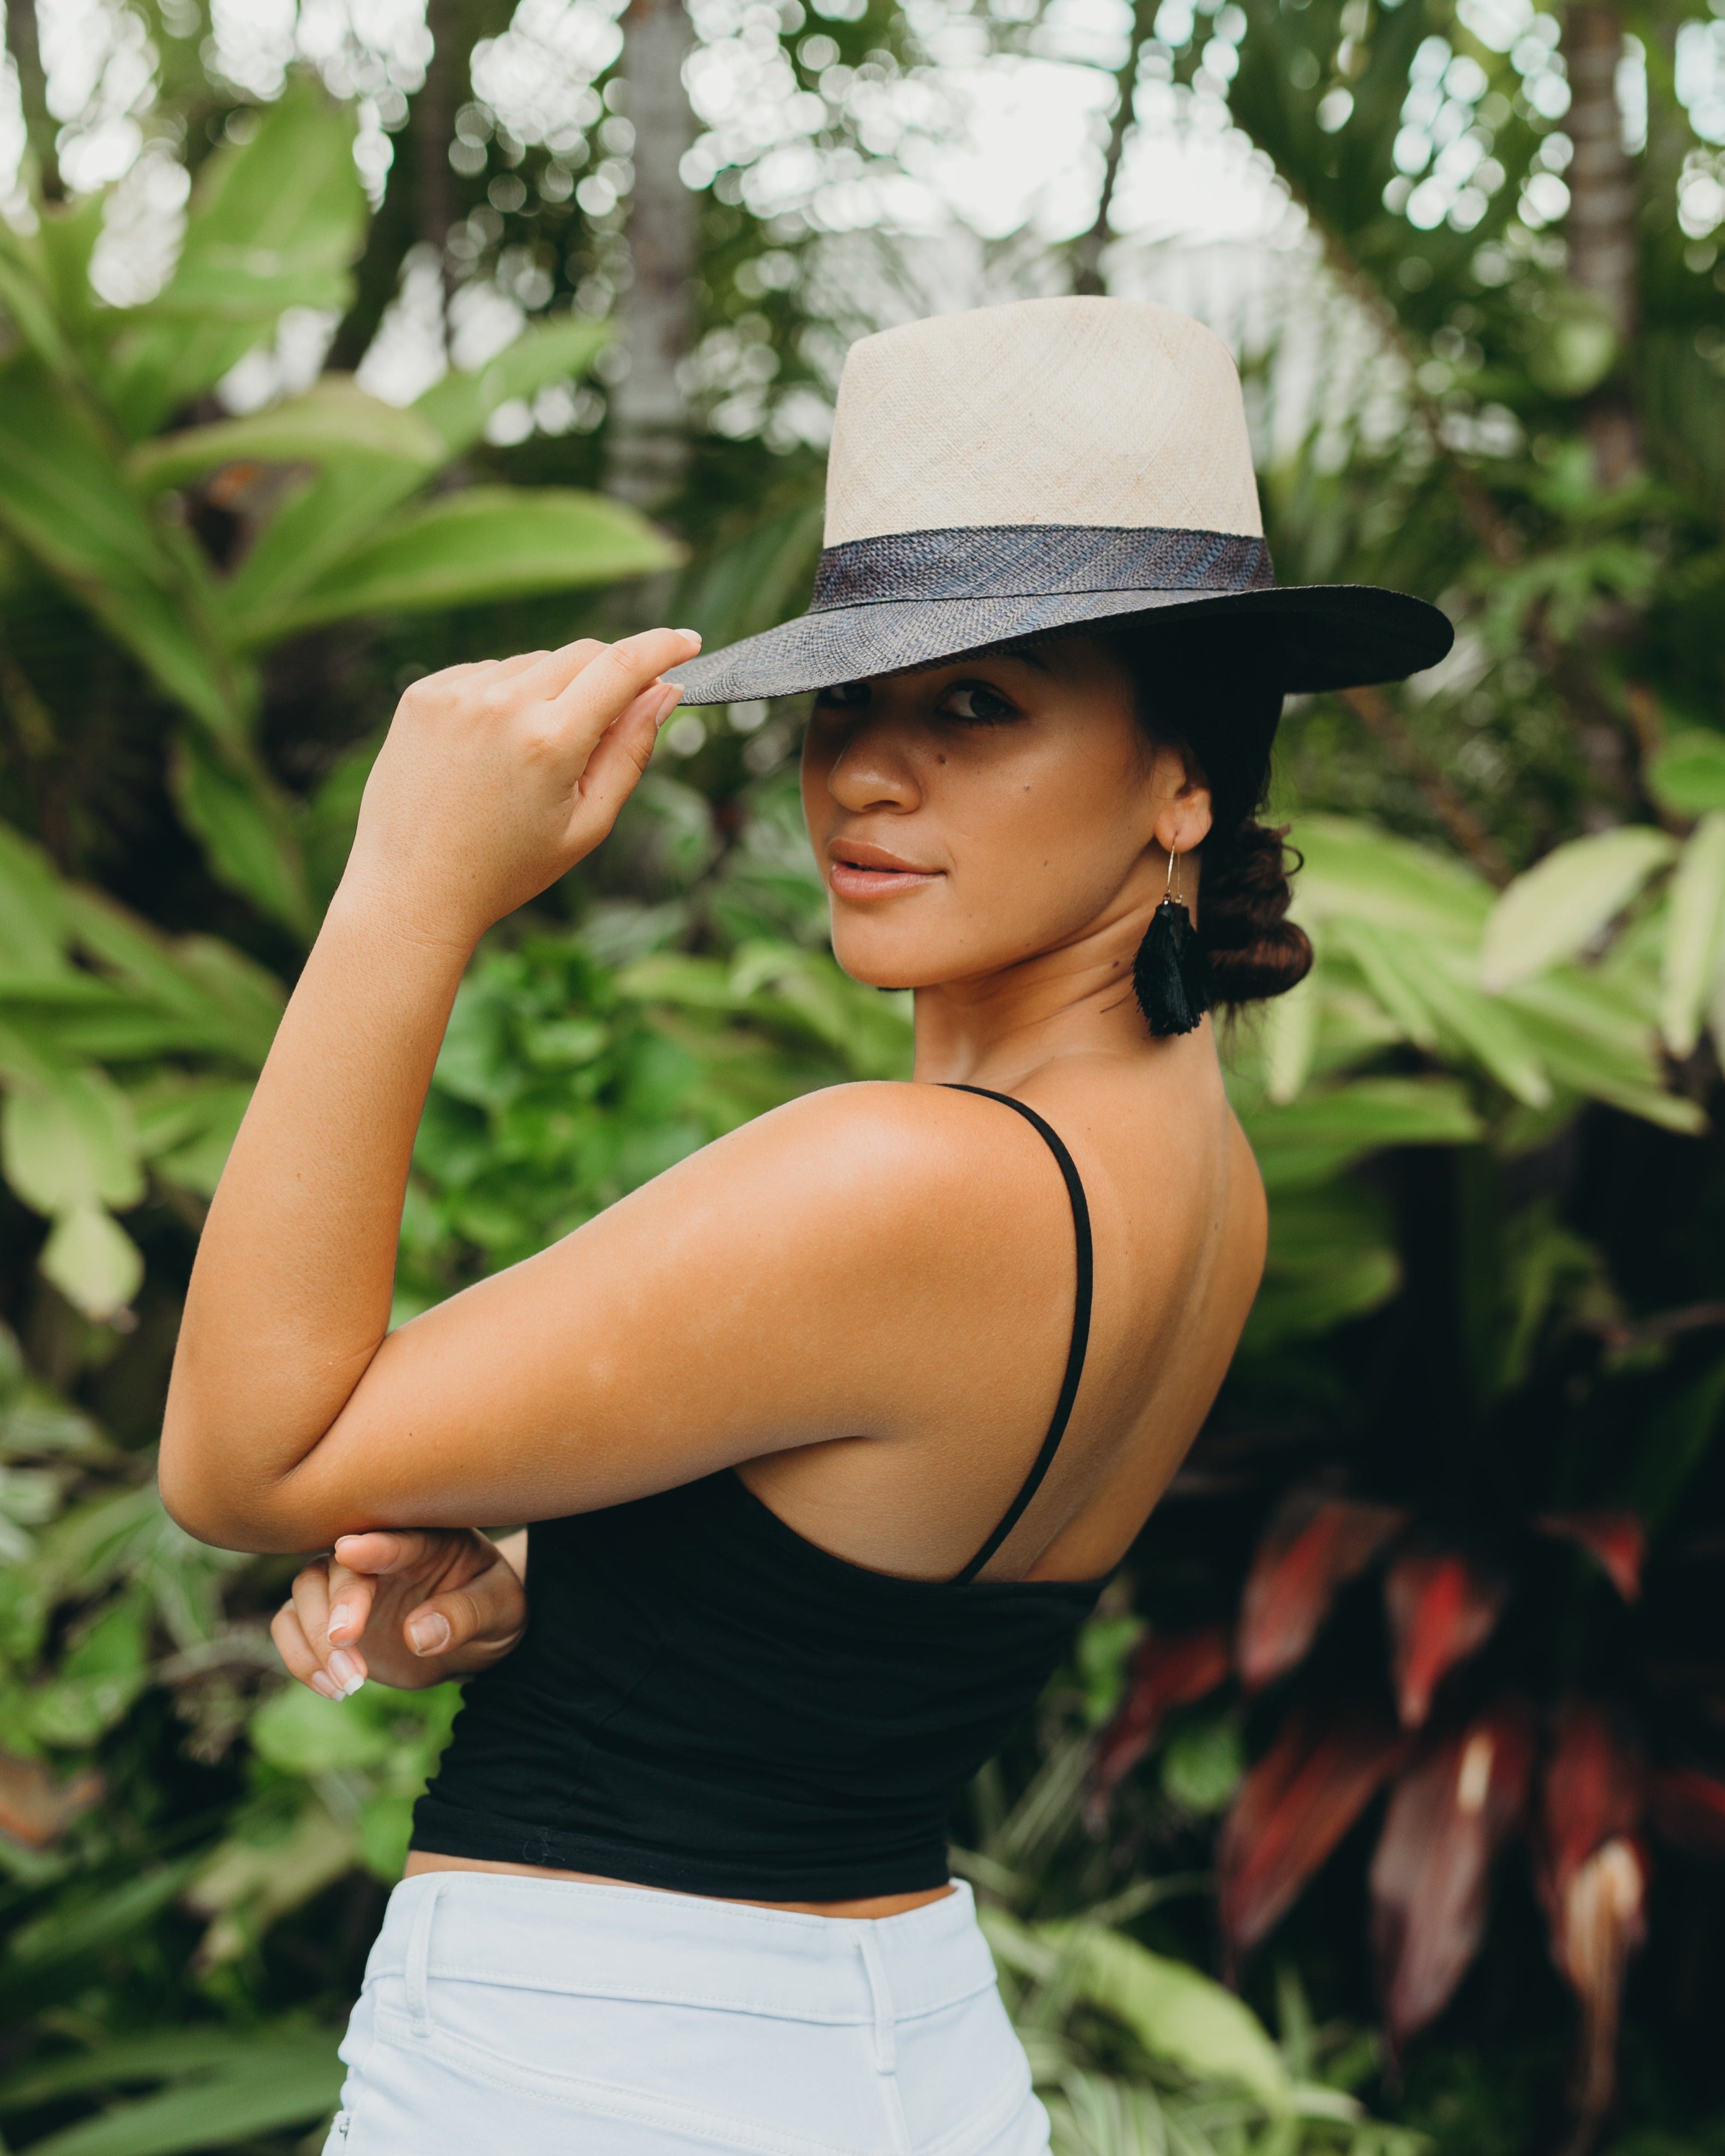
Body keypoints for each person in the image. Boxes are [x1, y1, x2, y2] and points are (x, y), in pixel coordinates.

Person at [160, 297, 1450, 2154]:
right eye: (849, 696)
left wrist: (411, 881)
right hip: (893, 2043)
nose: (863, 769)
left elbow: (240, 1452)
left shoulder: (906, 1176)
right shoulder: (1196, 1175)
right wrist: (563, 1596)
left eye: (977, 703)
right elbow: (848, 1618)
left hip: (600, 2063)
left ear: (1188, 773)